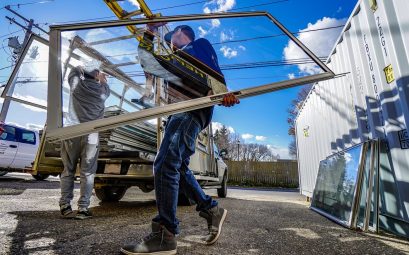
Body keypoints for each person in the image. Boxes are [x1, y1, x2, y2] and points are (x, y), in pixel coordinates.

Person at [121, 25, 239, 254]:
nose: (170, 42)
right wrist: (149, 34)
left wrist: (224, 92)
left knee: (165, 163)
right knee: (178, 167)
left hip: (191, 111)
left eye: (171, 37)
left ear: (180, 33)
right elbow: (147, 60)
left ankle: (165, 234)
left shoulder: (197, 46)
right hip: (178, 114)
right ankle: (210, 209)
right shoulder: (171, 61)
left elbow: (213, 70)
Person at [59, 66, 110, 220]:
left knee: (68, 170)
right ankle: (83, 208)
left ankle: (65, 206)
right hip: (91, 135)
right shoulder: (103, 91)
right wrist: (101, 78)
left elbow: (74, 70)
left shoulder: (76, 85)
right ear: (96, 76)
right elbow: (105, 85)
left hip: (72, 131)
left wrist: (84, 69)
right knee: (87, 173)